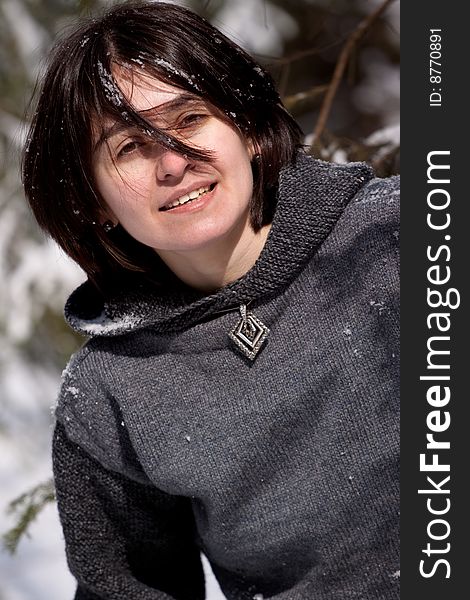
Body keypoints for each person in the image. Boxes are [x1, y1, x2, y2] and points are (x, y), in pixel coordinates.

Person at [22, 1, 400, 599]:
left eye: (190, 118)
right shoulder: (109, 395)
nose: (172, 163)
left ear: (246, 126)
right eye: (128, 148)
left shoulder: (401, 236)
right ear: (91, 198)